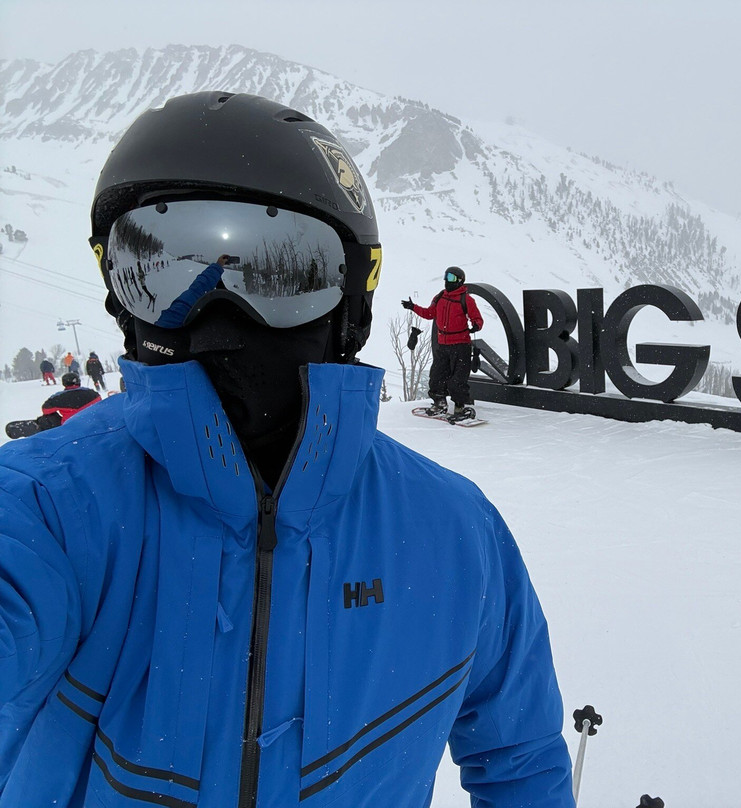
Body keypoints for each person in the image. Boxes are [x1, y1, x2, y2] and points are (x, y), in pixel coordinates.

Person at [0, 91, 572, 808]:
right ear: (119, 296)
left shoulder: (458, 534)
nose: (214, 317)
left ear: (347, 308)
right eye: (161, 270)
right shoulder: (48, 509)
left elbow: (520, 758)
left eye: (280, 272)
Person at [401, 266, 484, 421]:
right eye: (446, 276)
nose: (447, 281)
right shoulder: (440, 297)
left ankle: (460, 406)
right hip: (443, 344)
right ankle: (439, 402)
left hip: (461, 345)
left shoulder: (466, 299)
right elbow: (429, 314)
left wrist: (476, 325)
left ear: (460, 281)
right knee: (437, 376)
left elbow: (477, 318)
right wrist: (413, 307)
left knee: (458, 379)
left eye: (451, 278)